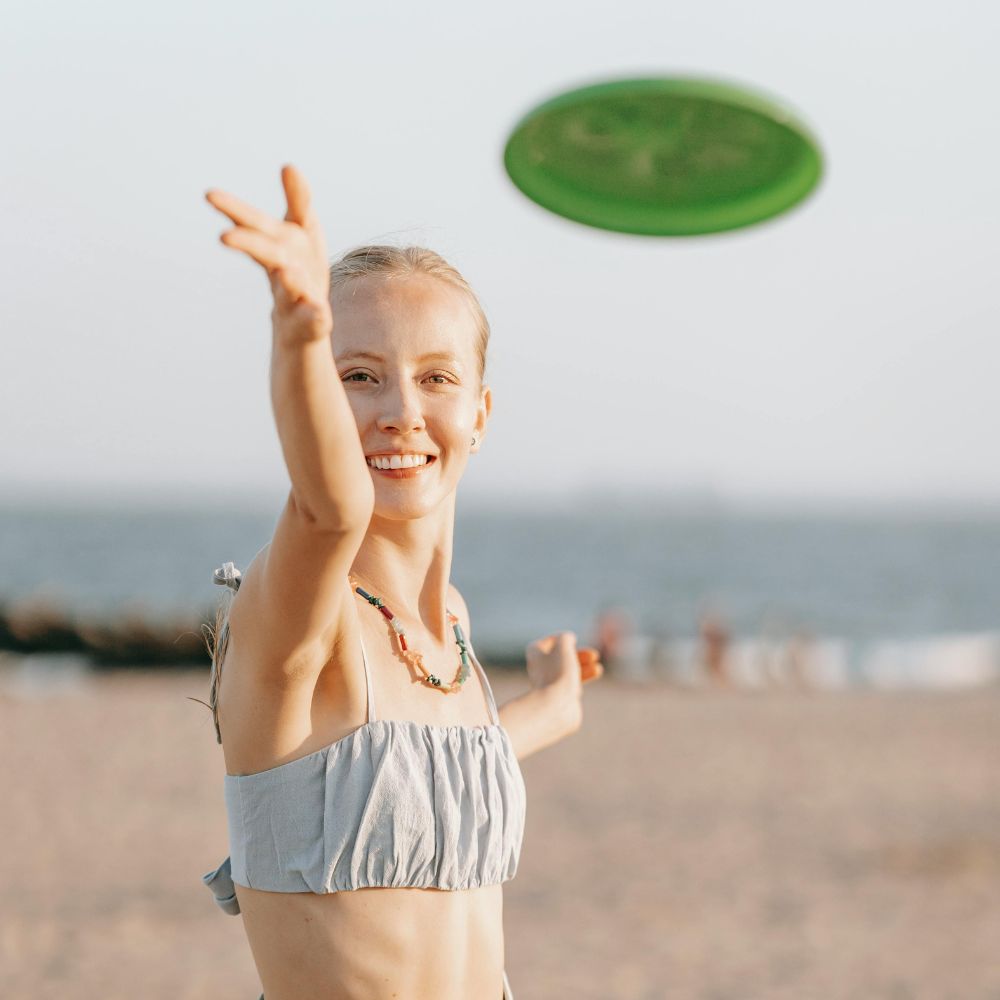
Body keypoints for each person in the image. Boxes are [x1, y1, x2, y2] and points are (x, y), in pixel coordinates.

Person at [199, 165, 604, 1000]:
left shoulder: (448, 625)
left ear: (481, 415)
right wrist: (302, 333)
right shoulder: (297, 626)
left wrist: (554, 704)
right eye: (358, 376)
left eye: (436, 377)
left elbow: (420, 768)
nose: (400, 412)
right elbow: (328, 513)